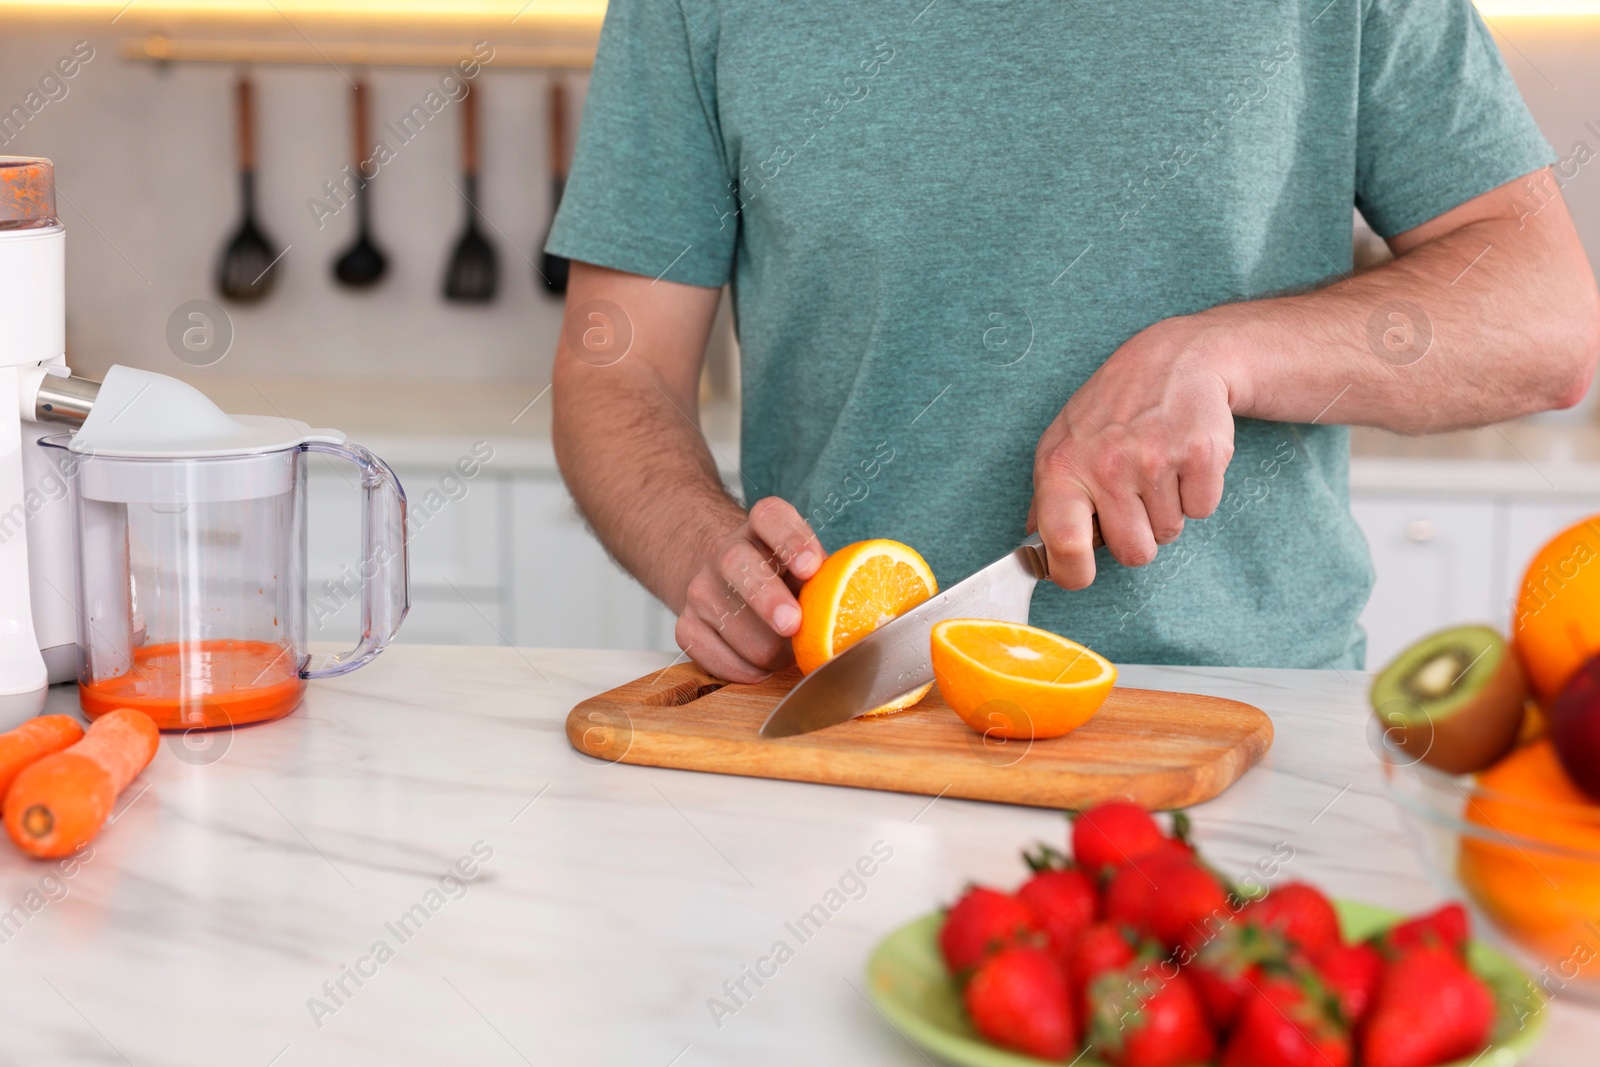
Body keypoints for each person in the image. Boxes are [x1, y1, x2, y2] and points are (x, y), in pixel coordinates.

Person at [545, 0, 1600, 683]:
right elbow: (615, 365)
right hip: (854, 713)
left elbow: (1546, 314)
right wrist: (702, 552)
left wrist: (1224, 353)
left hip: (1246, 732)